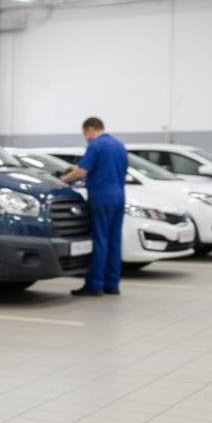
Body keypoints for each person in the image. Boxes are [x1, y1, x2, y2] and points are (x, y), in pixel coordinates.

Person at [61, 117, 128, 296]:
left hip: (102, 196)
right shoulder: (119, 145)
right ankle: (112, 283)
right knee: (114, 240)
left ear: (90, 129)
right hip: (119, 196)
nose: (86, 137)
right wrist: (76, 167)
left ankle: (95, 284)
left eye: (85, 134)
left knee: (100, 239)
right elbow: (104, 167)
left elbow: (83, 172)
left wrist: (63, 180)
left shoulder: (96, 145)